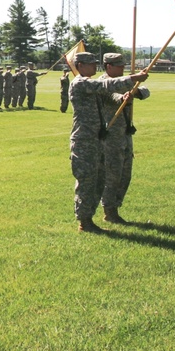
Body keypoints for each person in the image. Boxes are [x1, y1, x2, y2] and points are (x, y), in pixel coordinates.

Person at [68, 52, 147, 233]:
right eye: (90, 64)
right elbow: (105, 84)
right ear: (80, 65)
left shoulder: (90, 84)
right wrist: (133, 78)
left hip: (97, 139)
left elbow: (109, 92)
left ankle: (91, 218)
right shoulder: (80, 83)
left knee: (98, 180)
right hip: (84, 140)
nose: (95, 67)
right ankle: (84, 222)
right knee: (87, 181)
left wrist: (125, 96)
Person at [99, 53, 150, 224]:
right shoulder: (102, 83)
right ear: (108, 66)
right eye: (119, 66)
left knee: (125, 173)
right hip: (111, 134)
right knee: (112, 173)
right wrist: (122, 97)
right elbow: (110, 95)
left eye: (123, 66)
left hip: (125, 133)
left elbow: (145, 91)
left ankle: (115, 206)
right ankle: (109, 210)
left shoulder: (125, 81)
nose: (123, 69)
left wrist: (134, 93)